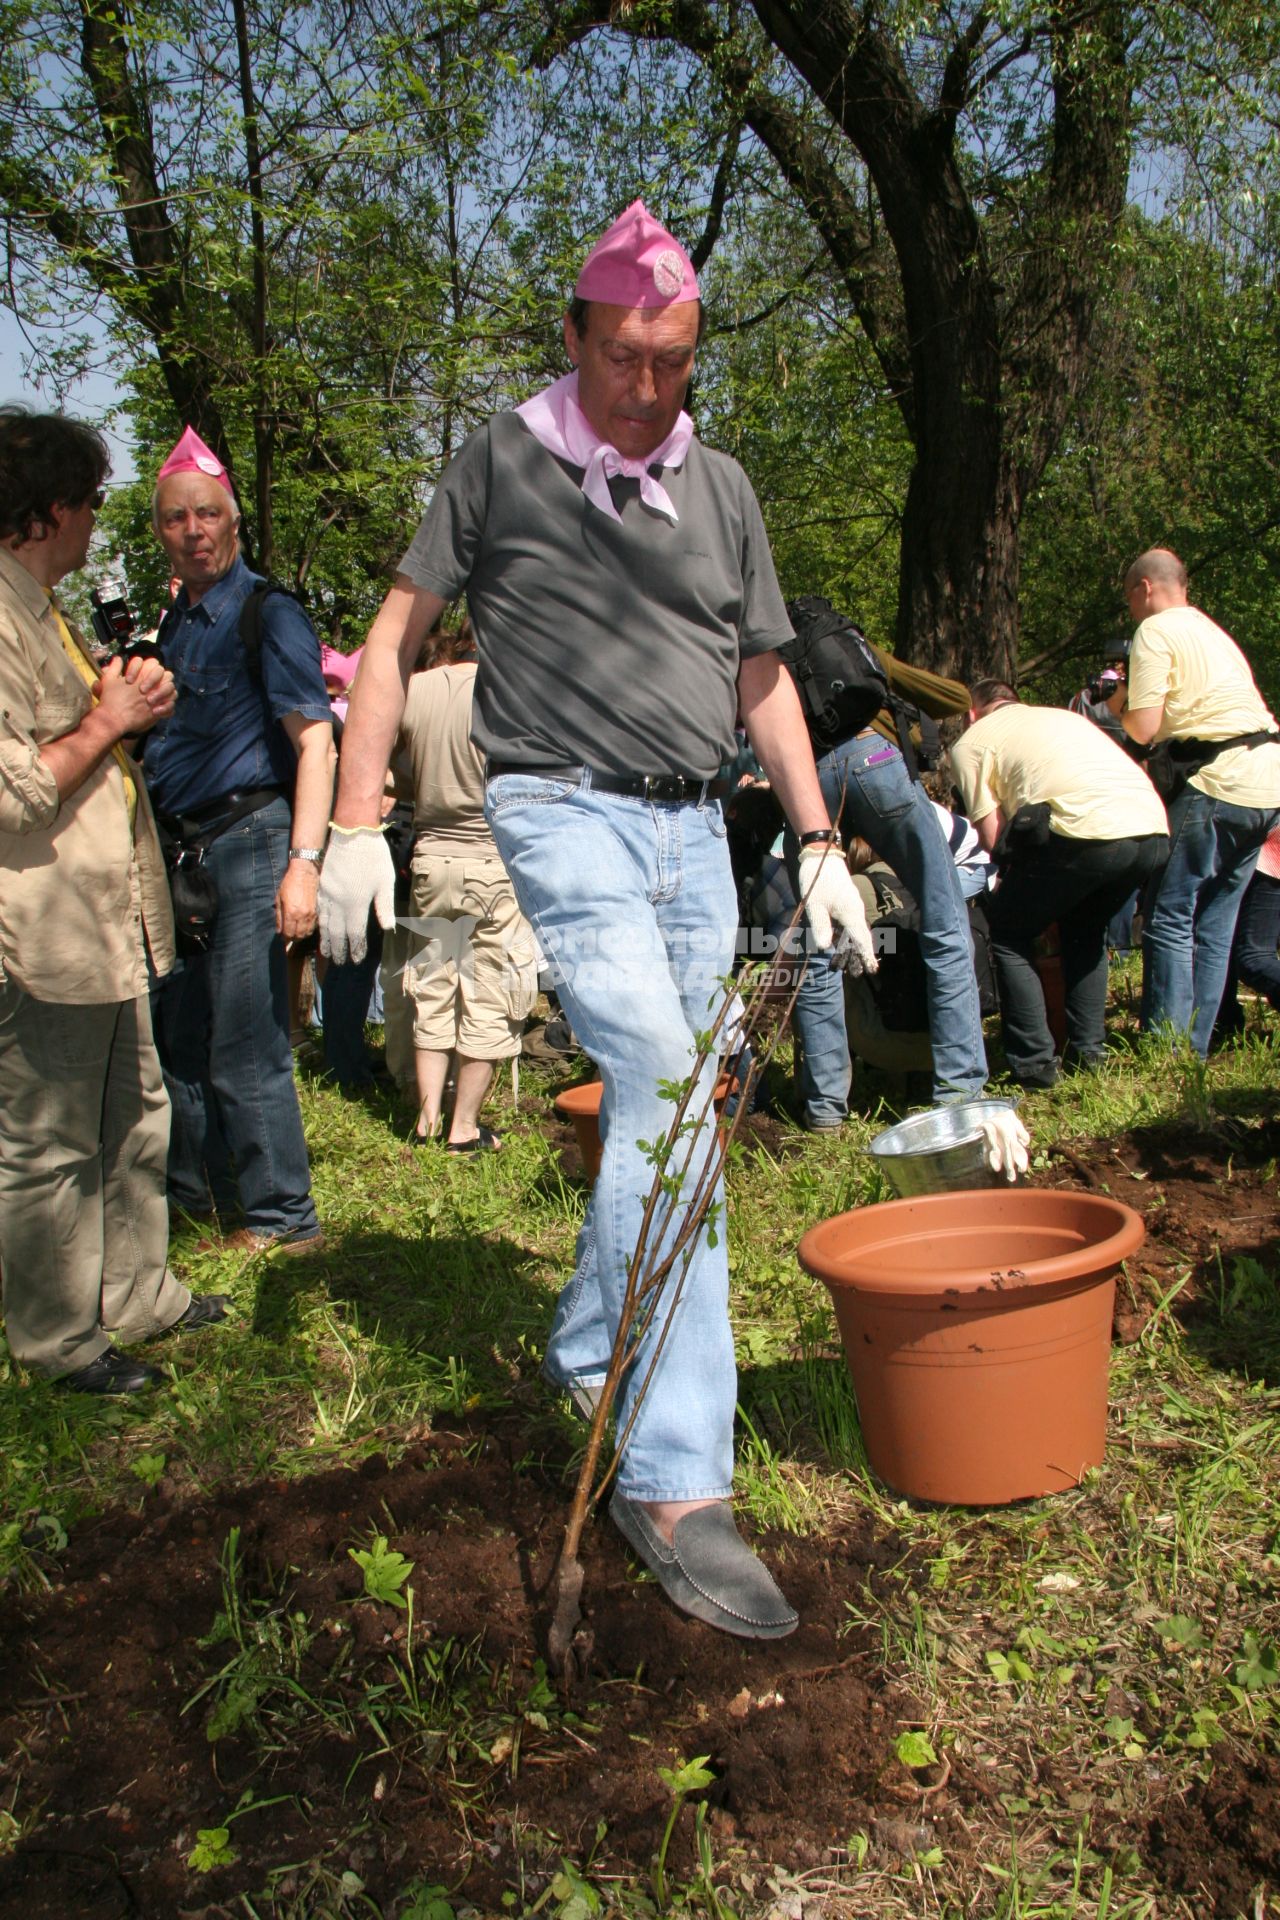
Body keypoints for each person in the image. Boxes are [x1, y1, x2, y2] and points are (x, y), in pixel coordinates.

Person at [318, 200, 879, 1640]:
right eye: (626, 358)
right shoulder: (503, 459)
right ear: (574, 339)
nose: (648, 389)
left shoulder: (728, 490)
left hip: (697, 825)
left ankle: (587, 1350)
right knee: (676, 1101)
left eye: (675, 363)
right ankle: (681, 1479)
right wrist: (355, 823)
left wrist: (816, 836)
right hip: (559, 807)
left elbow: (762, 678)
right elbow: (388, 639)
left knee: (675, 1108)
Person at [0, 406, 227, 1392]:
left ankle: (137, 1294)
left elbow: (87, 739)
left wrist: (127, 715)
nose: (99, 522)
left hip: (108, 919)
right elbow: (13, 788)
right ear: (48, 508)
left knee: (135, 1114)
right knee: (49, 1141)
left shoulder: (41, 602)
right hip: (46, 926)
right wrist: (110, 719)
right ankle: (57, 1343)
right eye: (91, 503)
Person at [144, 427, 335, 1252]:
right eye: (177, 518)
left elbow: (316, 744)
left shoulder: (269, 612)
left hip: (251, 839)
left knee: (247, 1038)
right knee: (177, 1035)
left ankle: (283, 1218)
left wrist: (303, 864)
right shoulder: (170, 623)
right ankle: (198, 1200)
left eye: (209, 514)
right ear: (160, 531)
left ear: (234, 522)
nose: (194, 530)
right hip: (175, 849)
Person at [785, 644, 988, 1128]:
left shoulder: (767, 661)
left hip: (805, 781)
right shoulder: (854, 648)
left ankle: (825, 1111)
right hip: (875, 761)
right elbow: (954, 697)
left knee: (818, 944)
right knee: (945, 927)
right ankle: (960, 1094)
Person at [951, 679, 1169, 1087]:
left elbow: (993, 838)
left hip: (1089, 833)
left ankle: (1034, 1064)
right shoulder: (1060, 717)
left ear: (971, 714)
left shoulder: (973, 740)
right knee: (1085, 930)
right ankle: (1089, 1054)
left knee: (1009, 932)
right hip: (1153, 830)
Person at [1118, 548, 1280, 1056]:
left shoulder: (1155, 630)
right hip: (1269, 780)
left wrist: (1114, 725)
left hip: (1220, 781)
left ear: (1145, 588)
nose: (1132, 612)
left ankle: (1165, 1050)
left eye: (1129, 600)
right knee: (1215, 923)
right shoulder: (1213, 632)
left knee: (1168, 914)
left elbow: (1143, 727)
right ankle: (1196, 1049)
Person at [395, 620, 537, 1149]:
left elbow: (388, 769)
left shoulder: (418, 685)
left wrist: (421, 785)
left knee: (431, 988)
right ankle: (464, 1129)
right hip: (494, 858)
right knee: (489, 995)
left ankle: (427, 1121)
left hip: (431, 856)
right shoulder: (515, 683)